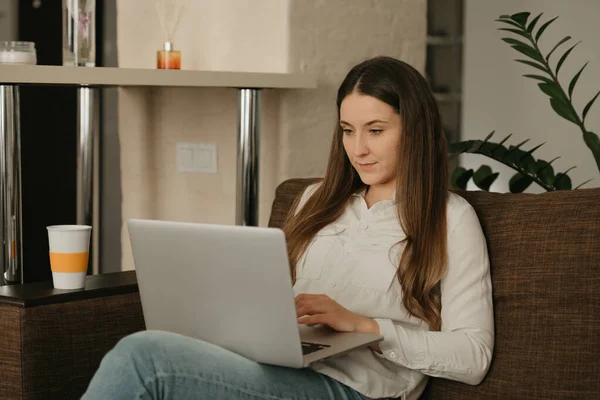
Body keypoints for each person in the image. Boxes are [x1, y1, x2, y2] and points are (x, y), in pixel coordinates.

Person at [82, 56, 493, 400]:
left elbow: (473, 356)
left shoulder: (450, 218)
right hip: (281, 367)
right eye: (348, 131)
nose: (358, 149)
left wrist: (366, 327)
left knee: (145, 358)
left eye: (376, 131)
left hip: (354, 389)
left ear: (415, 130)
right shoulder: (316, 200)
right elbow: (277, 302)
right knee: (154, 350)